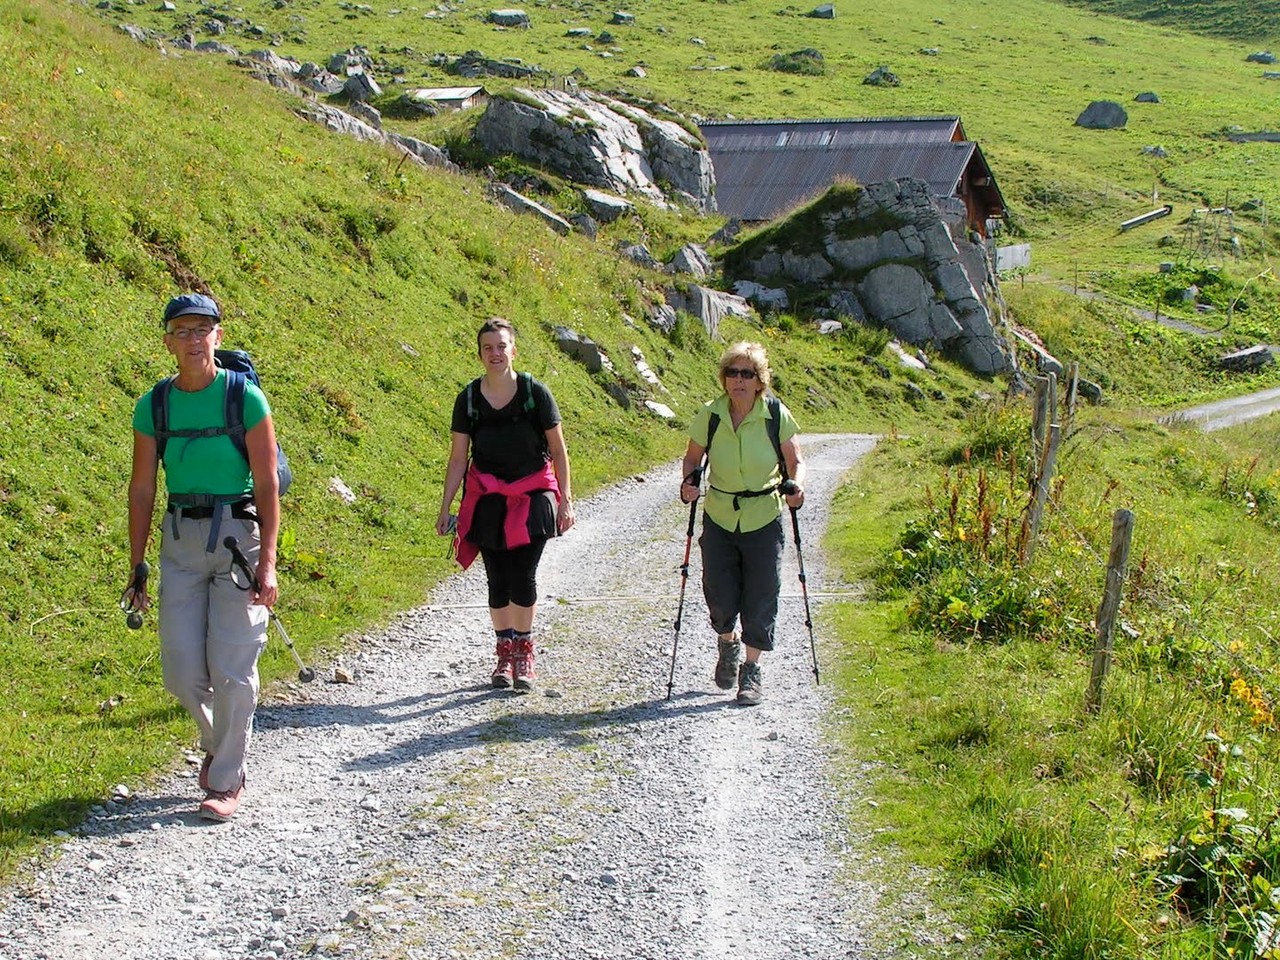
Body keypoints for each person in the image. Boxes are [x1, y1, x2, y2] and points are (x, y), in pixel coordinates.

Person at [123, 293, 280, 822]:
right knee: (181, 671)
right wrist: (138, 563)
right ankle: (219, 742)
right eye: (182, 331)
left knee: (232, 668)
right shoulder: (153, 406)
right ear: (168, 341)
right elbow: (142, 489)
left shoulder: (245, 398)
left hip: (239, 539)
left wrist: (268, 563)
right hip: (180, 542)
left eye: (202, 330)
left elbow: (266, 485)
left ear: (218, 335)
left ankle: (227, 777)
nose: (193, 340)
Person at [437, 317, 575, 692]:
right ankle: (504, 653)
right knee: (497, 579)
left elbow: (558, 450)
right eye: (488, 348)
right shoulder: (468, 399)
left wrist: (566, 501)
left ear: (513, 350)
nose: (495, 353)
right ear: (480, 354)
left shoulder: (535, 393)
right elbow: (458, 458)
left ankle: (524, 653)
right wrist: (446, 507)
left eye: (501, 346)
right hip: (487, 496)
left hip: (534, 493)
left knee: (522, 575)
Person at [679, 342, 805, 706]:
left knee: (762, 593)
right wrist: (689, 483)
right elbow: (692, 458)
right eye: (732, 373)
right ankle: (727, 642)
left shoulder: (775, 414)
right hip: (720, 514)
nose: (738, 380)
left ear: (759, 380)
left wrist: (797, 487)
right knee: (718, 592)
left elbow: (795, 461)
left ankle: (751, 670)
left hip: (764, 515)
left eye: (747, 374)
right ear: (724, 378)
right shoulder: (711, 414)